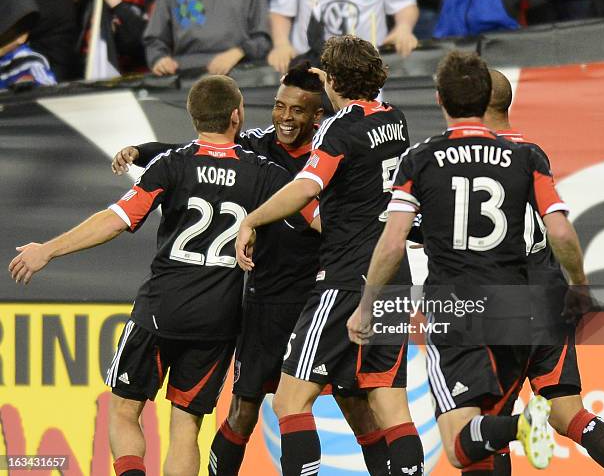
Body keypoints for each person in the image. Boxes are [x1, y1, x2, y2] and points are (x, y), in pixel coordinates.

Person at [112, 62, 393, 476]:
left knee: (355, 405)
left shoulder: (339, 151)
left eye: (297, 110)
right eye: (279, 107)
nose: (284, 118)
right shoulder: (258, 148)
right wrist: (142, 151)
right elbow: (199, 148)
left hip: (320, 297)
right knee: (243, 410)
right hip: (266, 299)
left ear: (319, 116)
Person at [9, 75, 297, 476]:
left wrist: (49, 250)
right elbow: (315, 216)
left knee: (125, 410)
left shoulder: (173, 164)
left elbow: (116, 219)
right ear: (237, 116)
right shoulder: (265, 173)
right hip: (219, 317)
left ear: (193, 116)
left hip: (161, 310)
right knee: (185, 427)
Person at [345, 50, 591, 474]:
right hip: (518, 310)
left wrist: (367, 305)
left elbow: (391, 242)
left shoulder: (420, 158)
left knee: (460, 446)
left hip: (457, 311)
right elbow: (563, 231)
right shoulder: (525, 156)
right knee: (483, 432)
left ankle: (520, 424)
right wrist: (580, 286)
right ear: (486, 101)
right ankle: (517, 424)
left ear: (439, 99)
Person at [236, 35, 425, 476]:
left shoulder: (338, 130)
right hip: (394, 277)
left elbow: (307, 186)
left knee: (289, 401)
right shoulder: (395, 119)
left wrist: (254, 220)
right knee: (389, 402)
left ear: (334, 80)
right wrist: (338, 79)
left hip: (345, 279)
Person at [484, 69, 604, 473]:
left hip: (504, 301)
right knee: (567, 413)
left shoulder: (463, 156)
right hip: (548, 293)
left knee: (486, 423)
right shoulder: (534, 153)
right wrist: (579, 285)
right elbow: (557, 227)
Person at [267, 0, 419, 73]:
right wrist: (281, 43)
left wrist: (403, 27)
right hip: (311, 66)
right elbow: (281, 11)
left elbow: (404, 4)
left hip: (366, 66)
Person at [143, 0, 271, 76]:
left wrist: (239, 52)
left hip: (240, 73)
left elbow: (263, 39)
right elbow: (154, 39)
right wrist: (159, 59)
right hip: (185, 76)